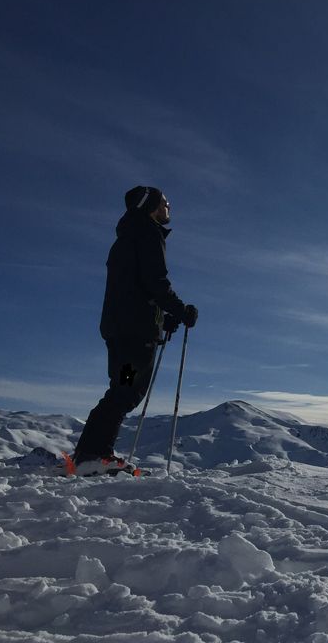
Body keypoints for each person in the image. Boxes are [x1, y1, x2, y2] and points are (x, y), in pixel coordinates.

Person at [71, 186, 198, 471]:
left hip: (122, 329)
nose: (169, 208)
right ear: (151, 206)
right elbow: (156, 281)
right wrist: (181, 310)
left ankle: (88, 454)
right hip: (134, 336)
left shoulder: (126, 239)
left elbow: (132, 289)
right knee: (126, 391)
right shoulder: (148, 234)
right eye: (166, 202)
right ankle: (94, 455)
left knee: (120, 389)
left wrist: (160, 319)